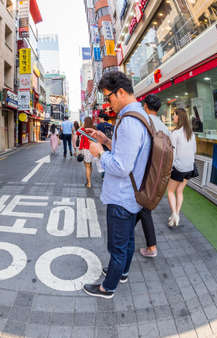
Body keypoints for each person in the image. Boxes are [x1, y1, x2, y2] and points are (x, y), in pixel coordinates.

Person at [83, 71, 151, 299]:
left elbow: (122, 166)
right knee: (128, 240)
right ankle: (121, 272)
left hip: (122, 196)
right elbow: (128, 153)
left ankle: (107, 287)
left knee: (117, 246)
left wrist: (99, 153)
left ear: (120, 92)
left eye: (108, 97)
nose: (108, 103)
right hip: (132, 195)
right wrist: (106, 141)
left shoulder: (129, 121)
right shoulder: (138, 115)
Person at [135, 94, 171, 258]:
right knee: (142, 208)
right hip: (159, 176)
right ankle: (146, 244)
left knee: (143, 209)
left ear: (145, 106)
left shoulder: (143, 123)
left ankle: (151, 247)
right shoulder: (165, 128)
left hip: (142, 174)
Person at [167, 108, 196, 227]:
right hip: (190, 168)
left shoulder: (175, 133)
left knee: (170, 191)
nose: (173, 117)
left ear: (179, 117)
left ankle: (174, 214)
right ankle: (176, 214)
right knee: (180, 191)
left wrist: (169, 167)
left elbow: (171, 153)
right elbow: (195, 151)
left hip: (178, 168)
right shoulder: (191, 133)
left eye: (174, 115)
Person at [77, 117, 95, 188]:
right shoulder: (94, 129)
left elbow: (77, 132)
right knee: (90, 165)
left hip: (86, 149)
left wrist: (83, 126)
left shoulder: (83, 129)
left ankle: (89, 183)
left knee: (87, 166)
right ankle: (88, 179)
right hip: (93, 149)